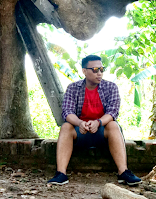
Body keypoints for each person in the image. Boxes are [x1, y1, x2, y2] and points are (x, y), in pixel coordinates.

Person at [47, 54, 142, 186]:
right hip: (80, 132)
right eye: (95, 70)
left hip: (102, 132)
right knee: (66, 127)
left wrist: (98, 122)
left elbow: (113, 112)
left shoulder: (111, 87)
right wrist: (80, 123)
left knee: (114, 125)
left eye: (102, 69)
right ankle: (61, 173)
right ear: (84, 71)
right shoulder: (73, 88)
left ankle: (123, 172)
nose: (100, 73)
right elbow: (67, 113)